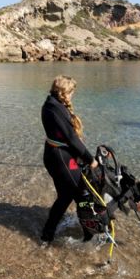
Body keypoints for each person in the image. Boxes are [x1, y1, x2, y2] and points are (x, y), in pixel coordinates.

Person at [40, 75, 98, 243]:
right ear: (64, 92)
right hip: (59, 158)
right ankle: (90, 234)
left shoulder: (53, 104)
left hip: (56, 155)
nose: (73, 95)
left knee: (65, 196)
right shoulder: (53, 108)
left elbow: (69, 137)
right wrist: (90, 159)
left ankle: (47, 234)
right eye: (72, 92)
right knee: (82, 193)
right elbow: (71, 139)